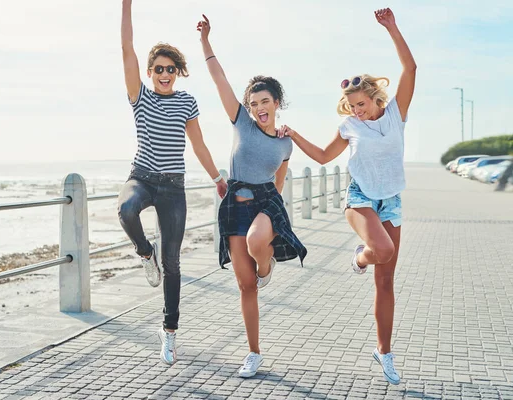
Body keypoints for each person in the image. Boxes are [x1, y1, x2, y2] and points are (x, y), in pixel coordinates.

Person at [278, 8, 416, 385]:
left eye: (362, 103)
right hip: (359, 199)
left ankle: (384, 352)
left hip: (392, 201)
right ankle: (360, 256)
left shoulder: (395, 114)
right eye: (352, 106)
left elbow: (411, 68)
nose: (357, 110)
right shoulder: (350, 126)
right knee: (382, 251)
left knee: (386, 281)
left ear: (374, 97)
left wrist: (392, 27)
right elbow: (323, 157)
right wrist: (293, 134)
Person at [197, 14, 307, 378]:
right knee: (246, 286)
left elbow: (280, 180)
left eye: (266, 101)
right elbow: (218, 79)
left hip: (266, 201)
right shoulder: (241, 120)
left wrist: (271, 212)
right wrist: (205, 42)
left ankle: (266, 265)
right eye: (254, 102)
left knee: (259, 239)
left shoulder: (286, 141)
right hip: (234, 204)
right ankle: (254, 352)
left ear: (277, 102)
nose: (259, 107)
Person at [119, 0, 227, 366]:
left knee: (175, 263)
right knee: (125, 210)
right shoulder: (140, 98)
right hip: (142, 179)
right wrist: (126, 6)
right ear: (150, 72)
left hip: (173, 189)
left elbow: (198, 145)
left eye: (171, 69)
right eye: (159, 69)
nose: (165, 74)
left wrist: (216, 178)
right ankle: (145, 253)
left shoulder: (186, 102)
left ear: (177, 72)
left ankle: (169, 333)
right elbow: (126, 48)